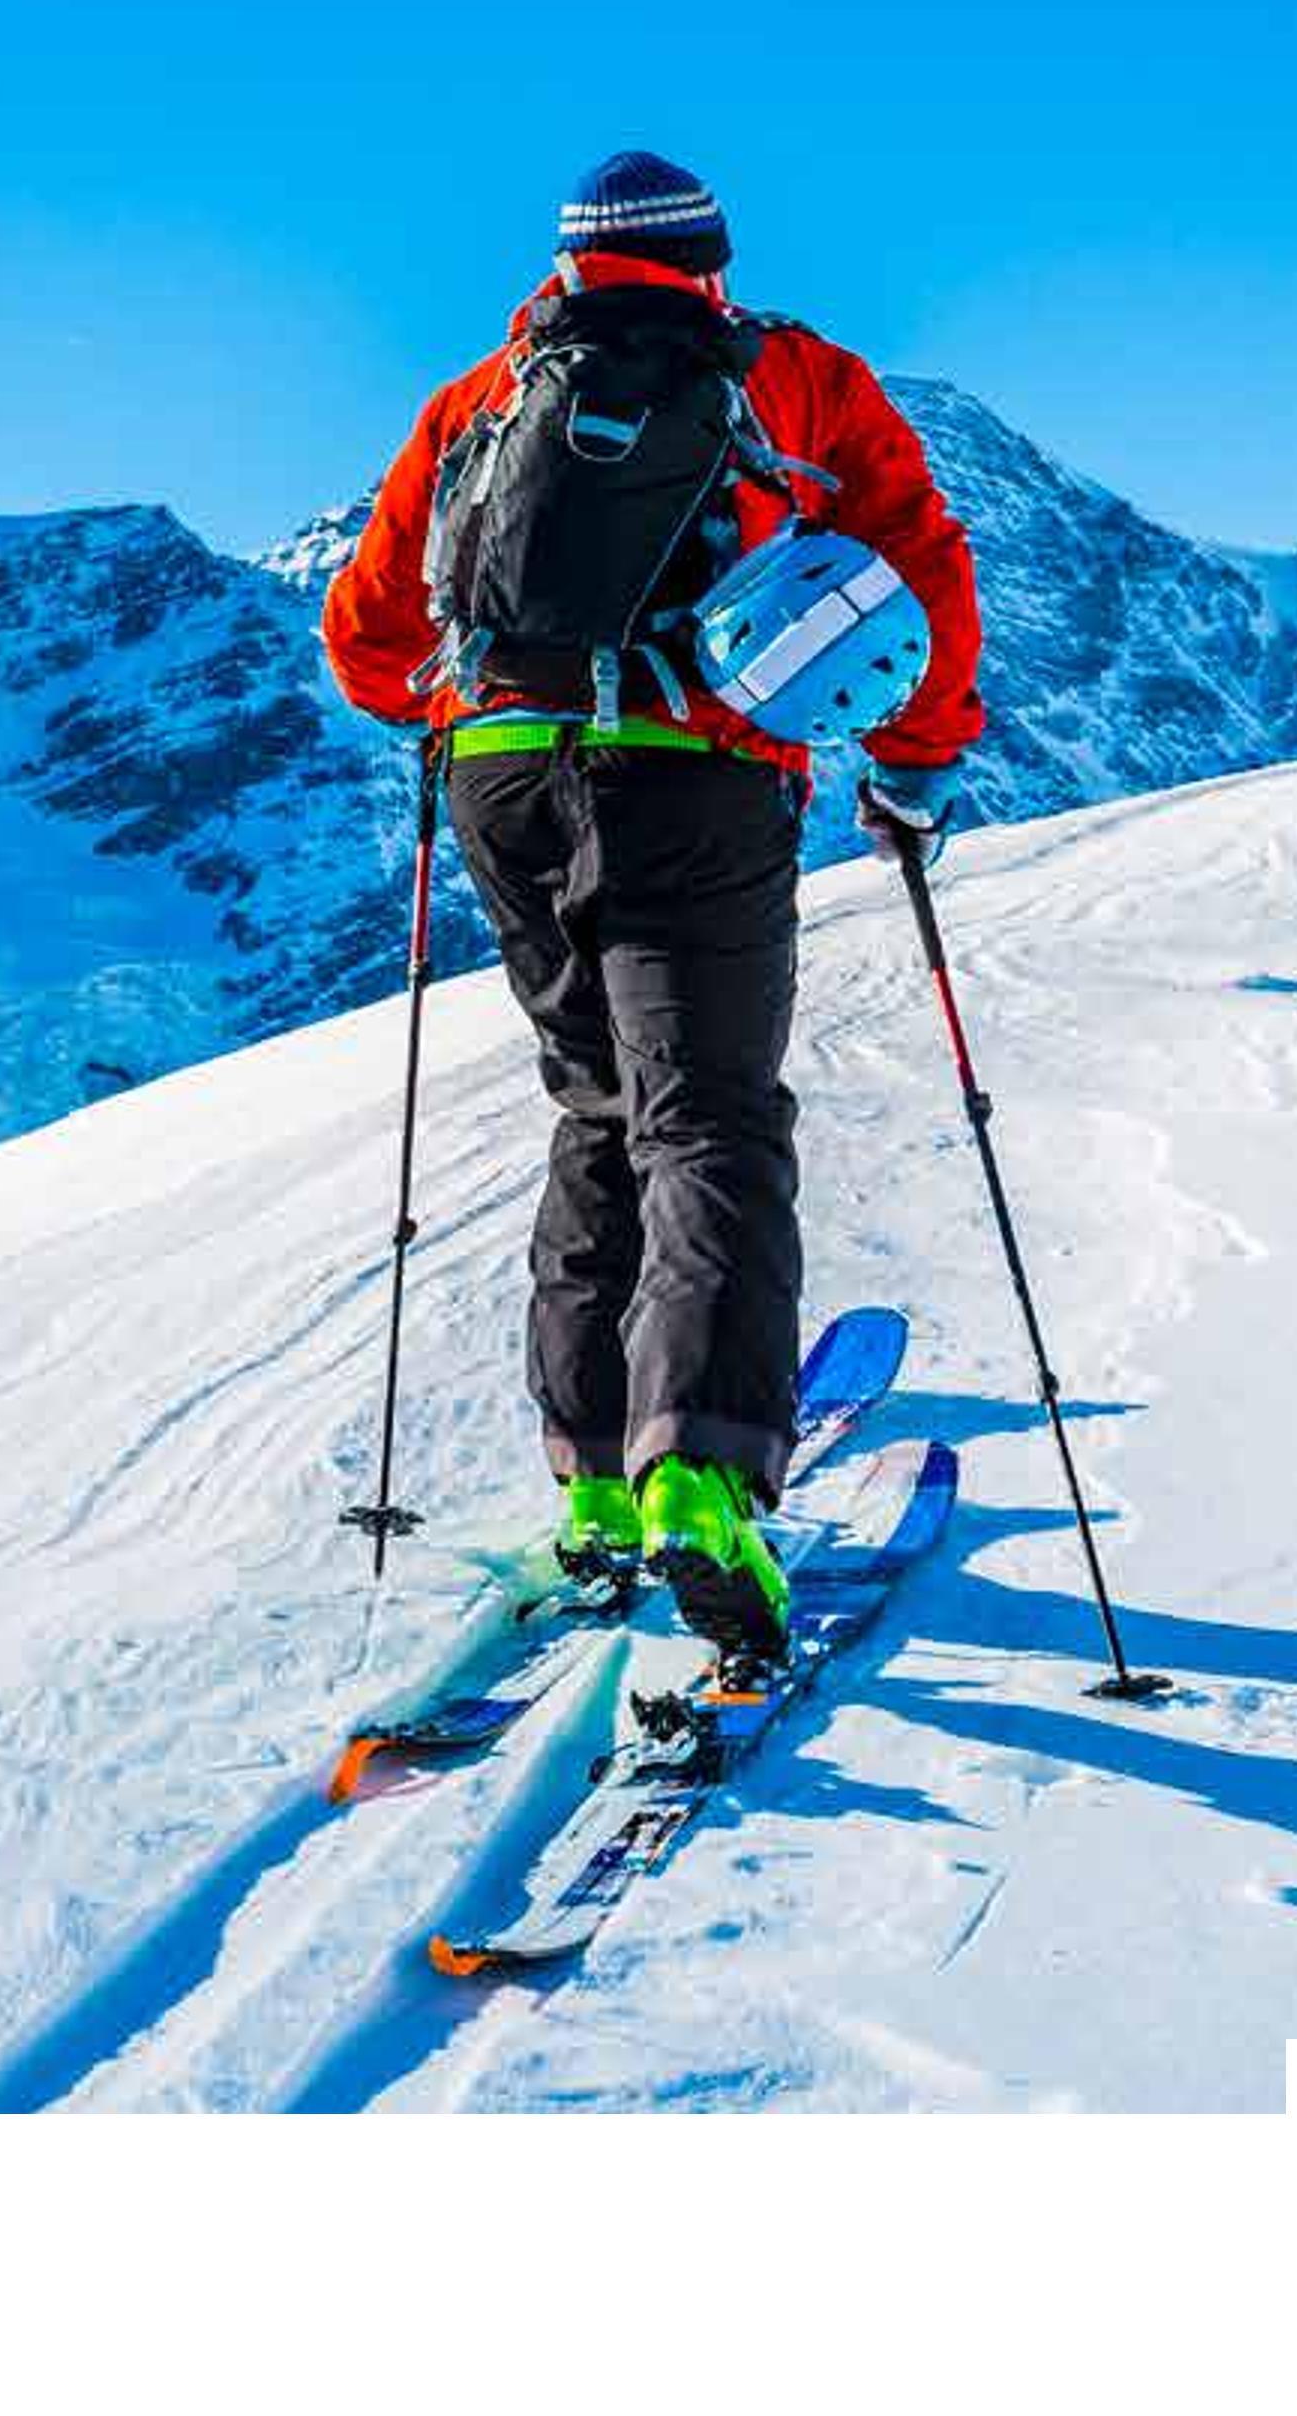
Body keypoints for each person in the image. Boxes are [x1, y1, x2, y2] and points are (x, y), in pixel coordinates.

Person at [318, 150, 986, 1660]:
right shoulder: (795, 379)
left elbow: (366, 642)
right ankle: (701, 1470)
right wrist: (914, 763)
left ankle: (596, 1484)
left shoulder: (483, 399)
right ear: (711, 262)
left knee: (597, 1108)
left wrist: (488, 699)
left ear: (568, 267)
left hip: (503, 780)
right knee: (710, 1117)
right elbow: (920, 563)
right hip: (693, 778)